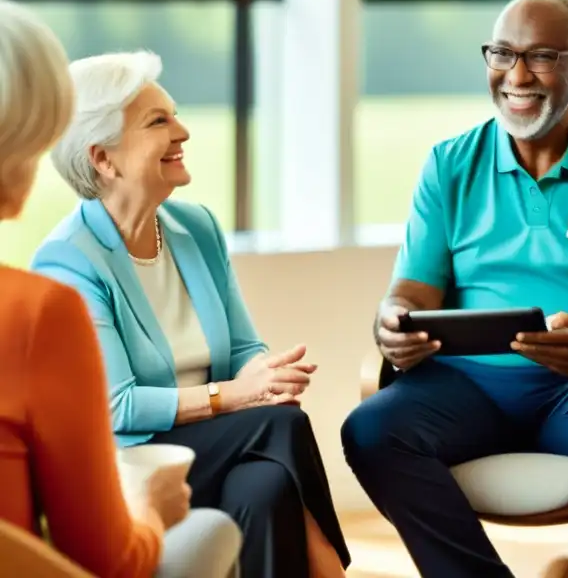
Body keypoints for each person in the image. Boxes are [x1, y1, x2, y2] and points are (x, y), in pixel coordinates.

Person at [341, 0, 568, 578]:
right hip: (466, 387)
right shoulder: (450, 164)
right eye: (502, 53)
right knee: (372, 429)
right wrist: (392, 322)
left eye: (543, 57)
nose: (516, 75)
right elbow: (412, 294)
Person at [30, 51, 350, 578]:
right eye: (159, 121)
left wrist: (262, 376)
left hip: (222, 441)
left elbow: (244, 349)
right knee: (280, 423)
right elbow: (118, 407)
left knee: (266, 485)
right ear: (103, 159)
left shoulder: (195, 227)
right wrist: (236, 397)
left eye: (174, 114)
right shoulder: (69, 260)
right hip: (131, 463)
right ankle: (332, 570)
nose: (182, 131)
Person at [0, 0, 241, 578]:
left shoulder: (194, 227)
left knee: (269, 454)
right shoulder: (38, 310)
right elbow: (107, 559)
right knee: (218, 524)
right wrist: (151, 510)